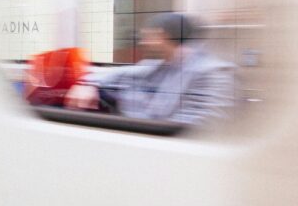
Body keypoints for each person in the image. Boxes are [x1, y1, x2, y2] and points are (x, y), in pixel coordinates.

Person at [65, 12, 235, 126]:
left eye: (146, 36)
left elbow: (196, 128)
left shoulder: (214, 74)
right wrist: (86, 83)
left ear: (162, 36)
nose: (142, 43)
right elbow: (111, 74)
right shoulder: (154, 66)